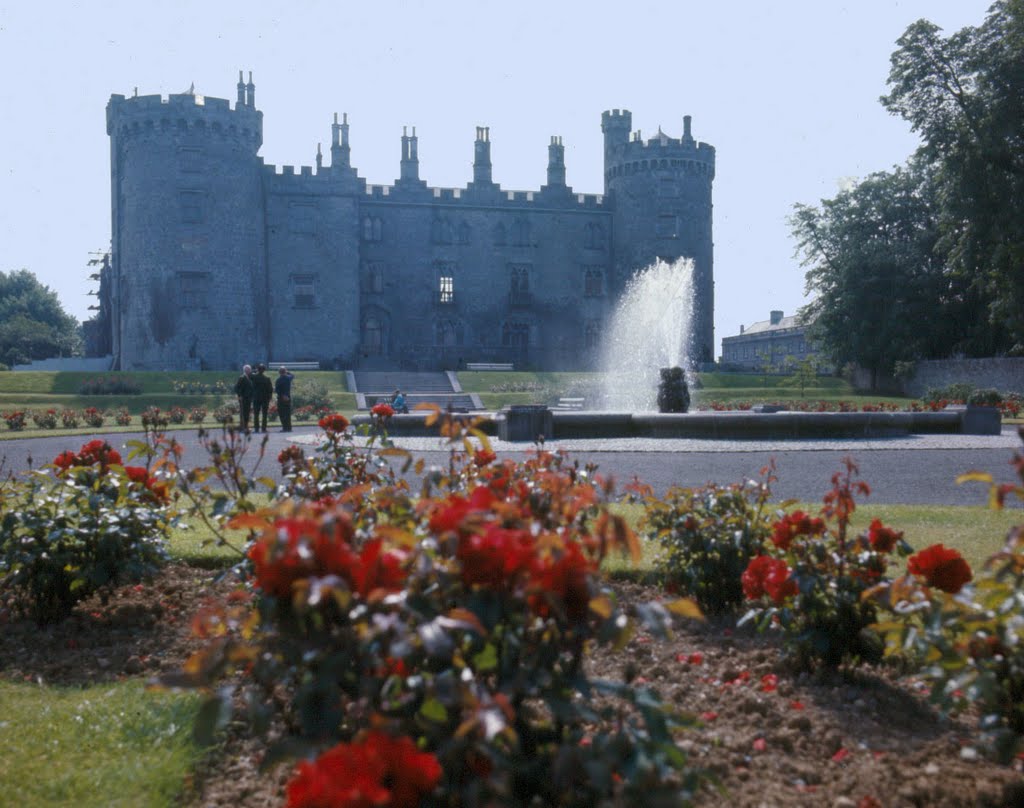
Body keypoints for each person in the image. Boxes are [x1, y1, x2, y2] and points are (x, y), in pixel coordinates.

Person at [252, 363, 273, 432]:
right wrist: (269, 398)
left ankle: (256, 428)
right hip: (265, 398)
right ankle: (263, 428)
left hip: (256, 397)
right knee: (264, 414)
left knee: (256, 414)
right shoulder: (267, 379)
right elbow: (270, 390)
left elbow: (251, 387)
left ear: (258, 369)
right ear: (264, 370)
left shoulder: (254, 377)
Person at [234, 364, 254, 432]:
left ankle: (245, 426)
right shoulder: (242, 377)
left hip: (248, 398)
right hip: (243, 399)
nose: (250, 371)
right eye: (249, 370)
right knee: (243, 413)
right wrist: (240, 396)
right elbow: (236, 388)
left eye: (250, 369)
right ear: (245, 370)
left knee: (247, 413)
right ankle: (243, 427)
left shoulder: (249, 377)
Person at [275, 366, 295, 432]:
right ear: (285, 371)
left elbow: (277, 390)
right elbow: (292, 375)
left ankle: (284, 427)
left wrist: (282, 395)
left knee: (282, 413)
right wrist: (287, 371)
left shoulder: (278, 380)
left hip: (281, 398)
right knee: (287, 413)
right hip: (288, 397)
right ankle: (289, 427)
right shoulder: (288, 378)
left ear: (279, 372)